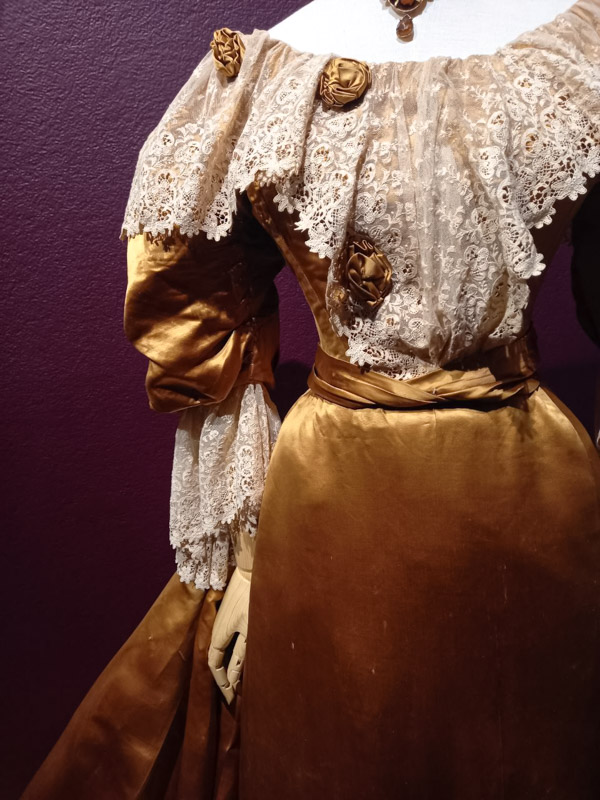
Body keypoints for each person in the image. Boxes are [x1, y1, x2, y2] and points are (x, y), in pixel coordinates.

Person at [24, 1, 600, 797]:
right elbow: (201, 310)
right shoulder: (266, 73)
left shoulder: (579, 46)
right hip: (335, 499)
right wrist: (247, 564)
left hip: (533, 498)